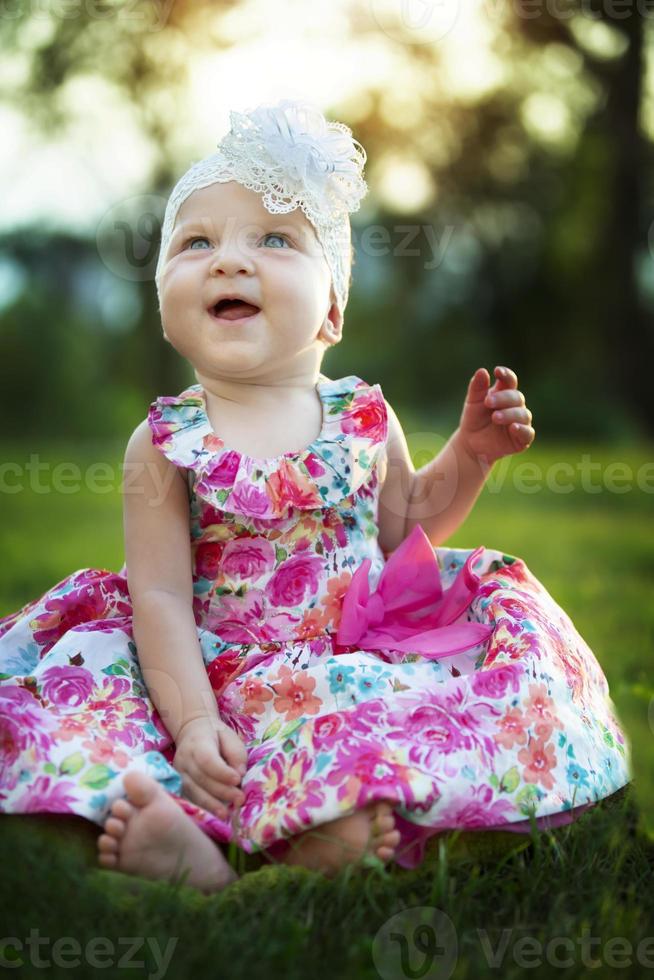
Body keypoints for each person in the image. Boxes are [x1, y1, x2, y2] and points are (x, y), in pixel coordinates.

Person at [0, 99, 632, 894]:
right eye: (196, 243)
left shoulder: (363, 415)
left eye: (274, 239)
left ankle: (313, 834)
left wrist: (469, 458)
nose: (229, 261)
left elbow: (408, 524)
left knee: (384, 716)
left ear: (332, 306)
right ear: (165, 303)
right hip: (209, 668)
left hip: (343, 659)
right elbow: (157, 595)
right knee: (132, 728)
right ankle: (194, 836)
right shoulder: (163, 442)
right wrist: (193, 720)